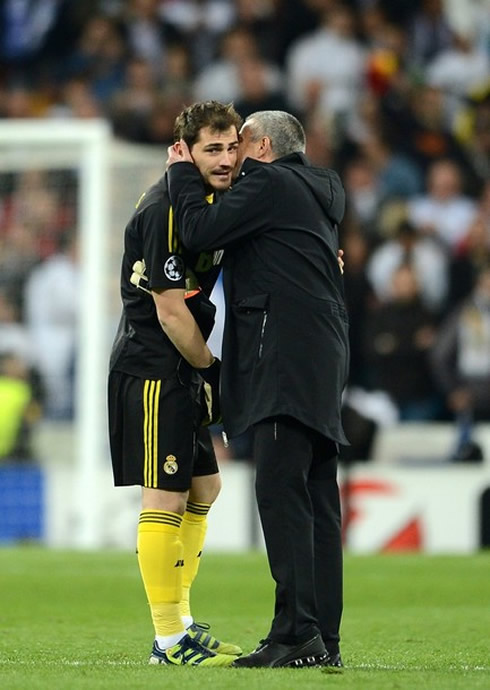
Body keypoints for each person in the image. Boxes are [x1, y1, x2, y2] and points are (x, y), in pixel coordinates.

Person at [167, 110, 349, 668]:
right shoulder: (322, 190)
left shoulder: (267, 182)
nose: (231, 157)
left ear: (262, 145)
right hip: (324, 350)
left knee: (280, 491)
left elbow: (198, 230)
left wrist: (180, 172)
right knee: (317, 496)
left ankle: (295, 633)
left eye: (237, 144)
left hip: (283, 355)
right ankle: (322, 639)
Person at [108, 101, 244, 667]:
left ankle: (182, 623)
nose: (226, 158)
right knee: (164, 493)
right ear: (185, 151)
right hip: (154, 367)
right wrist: (211, 369)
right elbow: (170, 312)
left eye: (231, 146)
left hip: (180, 366)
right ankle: (169, 638)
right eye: (212, 148)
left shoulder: (205, 199)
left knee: (205, 489)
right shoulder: (167, 208)